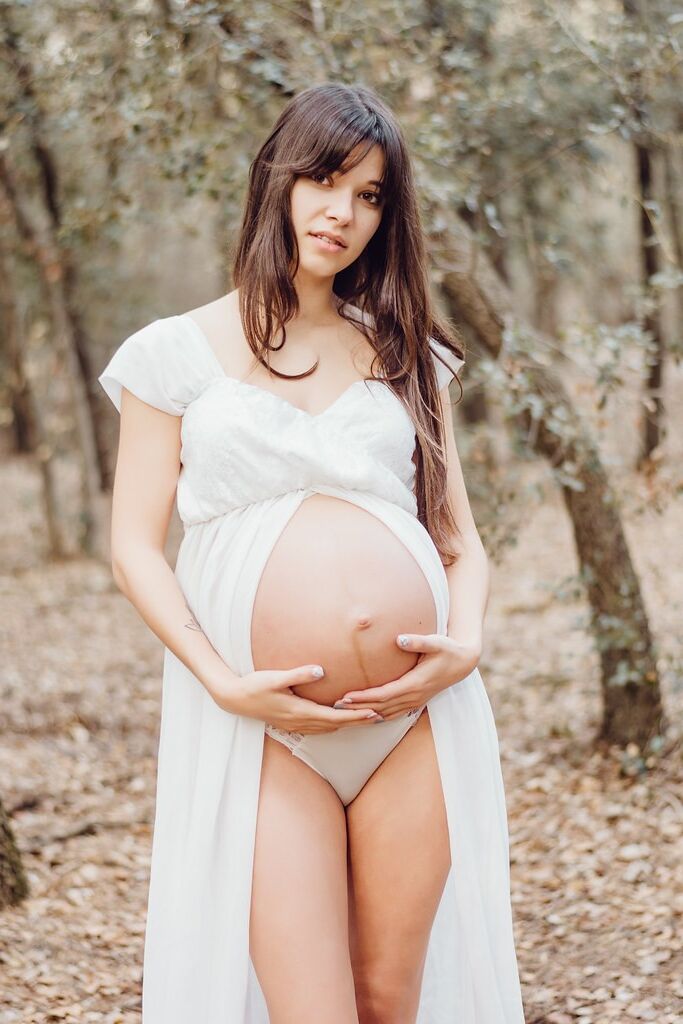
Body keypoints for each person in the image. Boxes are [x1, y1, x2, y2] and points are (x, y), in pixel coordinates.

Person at [98, 82, 525, 1024]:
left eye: (370, 195)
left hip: (415, 721)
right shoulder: (175, 354)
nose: (343, 212)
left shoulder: (405, 350)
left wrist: (467, 643)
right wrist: (221, 681)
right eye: (326, 179)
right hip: (263, 729)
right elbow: (134, 546)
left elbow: (460, 542)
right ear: (277, 179)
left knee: (385, 1000)